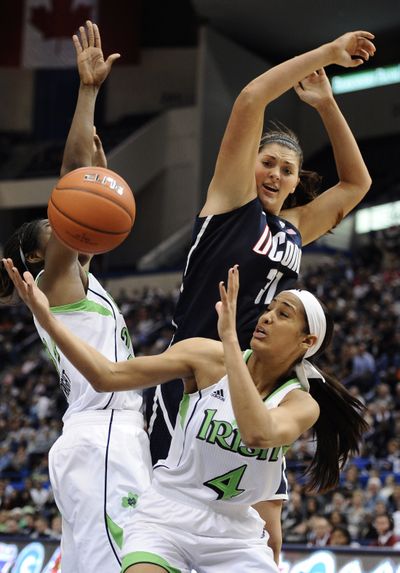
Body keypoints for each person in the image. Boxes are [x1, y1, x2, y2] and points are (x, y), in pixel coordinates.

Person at [145, 29, 376, 558]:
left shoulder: (295, 227)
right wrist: (325, 56)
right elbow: (251, 97)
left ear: (297, 183)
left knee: (265, 531)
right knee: (172, 510)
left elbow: (355, 185)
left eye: (287, 170)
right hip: (195, 372)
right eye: (268, 162)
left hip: (254, 385)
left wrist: (327, 104)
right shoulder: (230, 203)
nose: (275, 173)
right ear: (249, 167)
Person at [3, 262, 369, 573]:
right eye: (269, 308)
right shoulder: (206, 356)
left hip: (235, 534)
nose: (268, 317)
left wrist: (230, 342)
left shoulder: (301, 404)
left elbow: (258, 432)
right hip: (167, 514)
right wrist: (46, 318)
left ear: (307, 342)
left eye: (283, 314)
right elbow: (107, 376)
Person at [0, 22, 152, 573]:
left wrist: (99, 170)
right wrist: (87, 93)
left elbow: (89, 196)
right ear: (39, 255)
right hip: (103, 438)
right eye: (51, 225)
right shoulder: (54, 282)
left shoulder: (77, 283)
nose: (59, 222)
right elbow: (73, 182)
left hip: (105, 437)